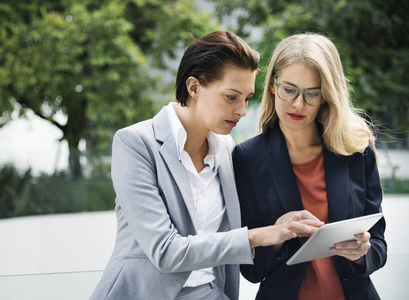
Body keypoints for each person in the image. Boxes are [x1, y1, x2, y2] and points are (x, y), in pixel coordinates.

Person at [89, 31, 322, 300]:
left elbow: (227, 239)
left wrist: (279, 228)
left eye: (247, 98)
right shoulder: (136, 144)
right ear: (194, 87)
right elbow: (165, 252)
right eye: (232, 97)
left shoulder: (226, 150)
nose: (243, 110)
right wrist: (257, 236)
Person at [233, 33, 387, 299]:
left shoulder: (355, 150)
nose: (298, 104)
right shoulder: (247, 157)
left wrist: (362, 254)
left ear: (326, 96)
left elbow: (379, 246)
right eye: (289, 89)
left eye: (312, 94)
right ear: (272, 85)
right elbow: (251, 270)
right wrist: (276, 235)